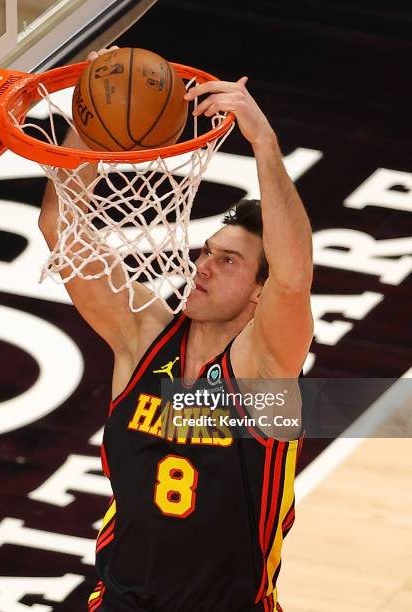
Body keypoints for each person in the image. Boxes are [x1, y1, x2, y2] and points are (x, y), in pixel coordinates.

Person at [39, 48, 313, 612]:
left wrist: (263, 142)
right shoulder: (142, 337)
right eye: (207, 253)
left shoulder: (263, 370)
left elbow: (293, 279)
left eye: (229, 262)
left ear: (259, 291)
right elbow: (60, 226)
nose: (203, 267)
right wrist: (94, 115)